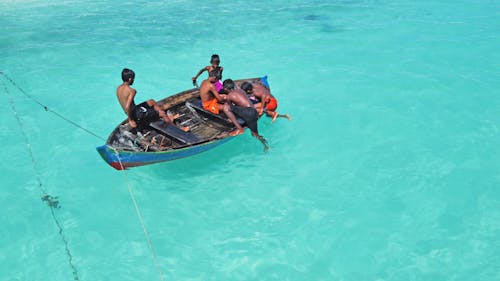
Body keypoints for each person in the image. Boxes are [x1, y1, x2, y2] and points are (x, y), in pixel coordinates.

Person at [116, 68, 189, 131]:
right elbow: (127, 107)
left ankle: (160, 114)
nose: (133, 80)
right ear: (130, 79)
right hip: (136, 115)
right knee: (162, 114)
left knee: (151, 101)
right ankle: (178, 128)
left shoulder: (118, 88)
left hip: (132, 111)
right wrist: (131, 120)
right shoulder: (131, 90)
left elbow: (125, 105)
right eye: (133, 79)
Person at [222, 79, 269, 151]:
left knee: (226, 107)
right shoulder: (241, 91)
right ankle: (266, 146)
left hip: (247, 113)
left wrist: (231, 118)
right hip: (254, 113)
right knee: (255, 134)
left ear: (225, 88)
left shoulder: (229, 96)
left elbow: (230, 106)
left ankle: (239, 129)